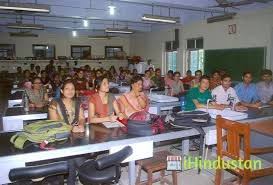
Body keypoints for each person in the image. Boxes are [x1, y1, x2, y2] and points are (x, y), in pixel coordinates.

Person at [48, 79, 85, 185]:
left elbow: (82, 118)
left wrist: (81, 124)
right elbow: (54, 124)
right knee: (74, 159)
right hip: (58, 139)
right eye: (67, 89)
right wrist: (71, 128)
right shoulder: (54, 103)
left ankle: (71, 180)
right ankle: (71, 180)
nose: (70, 91)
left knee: (74, 157)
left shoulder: (78, 102)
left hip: (75, 138)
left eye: (72, 89)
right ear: (62, 91)